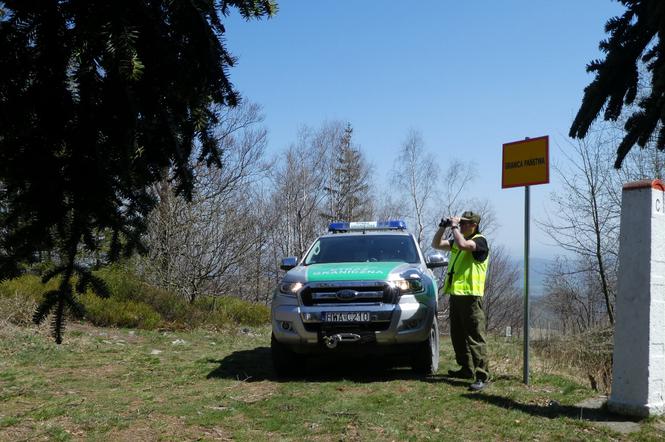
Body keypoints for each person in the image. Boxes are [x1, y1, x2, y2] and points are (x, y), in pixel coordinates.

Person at [431, 210, 490, 391]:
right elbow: (436, 244)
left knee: (475, 336)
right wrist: (443, 227)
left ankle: (482, 375)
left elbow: (464, 245)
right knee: (457, 335)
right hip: (456, 295)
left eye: (465, 223)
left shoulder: (479, 241)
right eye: (461, 223)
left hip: (471, 296)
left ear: (473, 225)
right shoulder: (457, 240)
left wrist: (454, 227)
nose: (462, 226)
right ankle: (465, 368)